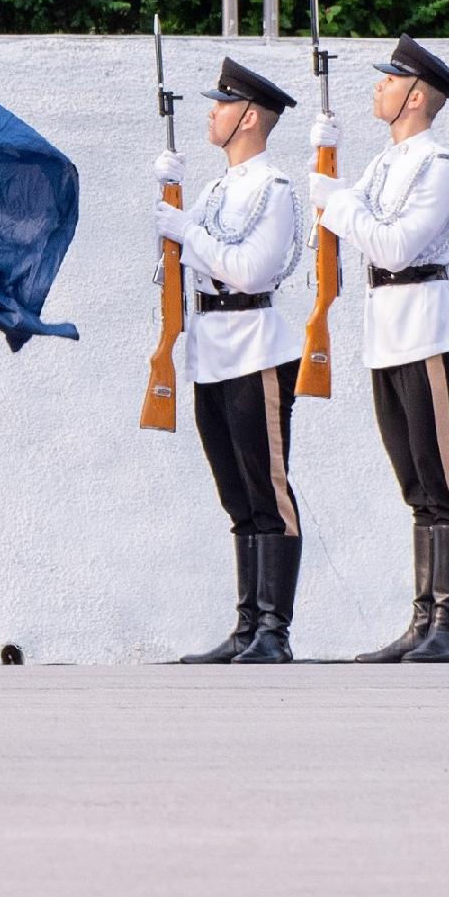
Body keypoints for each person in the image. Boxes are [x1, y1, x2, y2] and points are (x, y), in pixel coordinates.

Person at [316, 34, 449, 663]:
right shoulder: (384, 164)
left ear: (415, 96)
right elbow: (357, 220)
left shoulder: (437, 165)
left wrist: (337, 203)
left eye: (389, 81)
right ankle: (421, 622)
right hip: (385, 333)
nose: (378, 88)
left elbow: (394, 246)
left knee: (446, 481)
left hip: (428, 331)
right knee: (415, 484)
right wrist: (340, 197)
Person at [157, 56, 309, 666]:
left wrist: (185, 230)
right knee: (236, 495)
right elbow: (185, 261)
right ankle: (247, 626)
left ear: (249, 117)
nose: (212, 114)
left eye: (222, 105)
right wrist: (171, 206)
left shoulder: (273, 189)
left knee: (268, 490)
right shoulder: (219, 188)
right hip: (211, 350)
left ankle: (275, 629)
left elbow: (249, 269)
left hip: (256, 348)